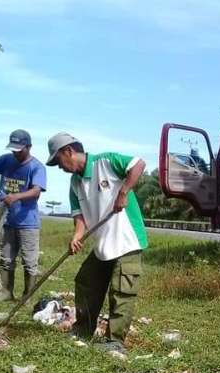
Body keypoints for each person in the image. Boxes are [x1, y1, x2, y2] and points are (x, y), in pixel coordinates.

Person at [46, 132, 148, 353]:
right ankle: (82, 330)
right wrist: (77, 235)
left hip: (126, 240)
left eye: (58, 161)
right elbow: (80, 216)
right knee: (86, 281)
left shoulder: (106, 161)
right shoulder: (75, 183)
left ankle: (115, 342)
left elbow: (138, 164)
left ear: (69, 152)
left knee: (122, 291)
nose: (59, 167)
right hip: (103, 244)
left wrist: (124, 191)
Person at [0, 129, 47, 301]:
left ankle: (27, 296)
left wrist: (16, 196)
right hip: (7, 221)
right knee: (6, 258)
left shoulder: (36, 167)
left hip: (28, 223)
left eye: (19, 149)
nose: (15, 153)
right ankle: (6, 292)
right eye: (13, 149)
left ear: (29, 147)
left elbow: (36, 191)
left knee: (29, 261)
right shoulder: (6, 160)